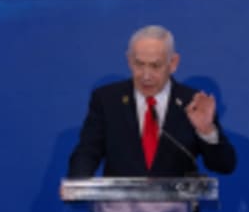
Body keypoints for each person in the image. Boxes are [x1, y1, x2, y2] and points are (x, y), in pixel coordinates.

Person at [68, 25, 237, 178]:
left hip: (176, 203)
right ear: (129, 60)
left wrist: (206, 131)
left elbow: (224, 166)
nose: (146, 75)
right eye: (139, 64)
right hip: (119, 202)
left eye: (155, 66)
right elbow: (88, 151)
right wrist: (77, 184)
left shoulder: (192, 102)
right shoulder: (107, 99)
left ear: (173, 63)